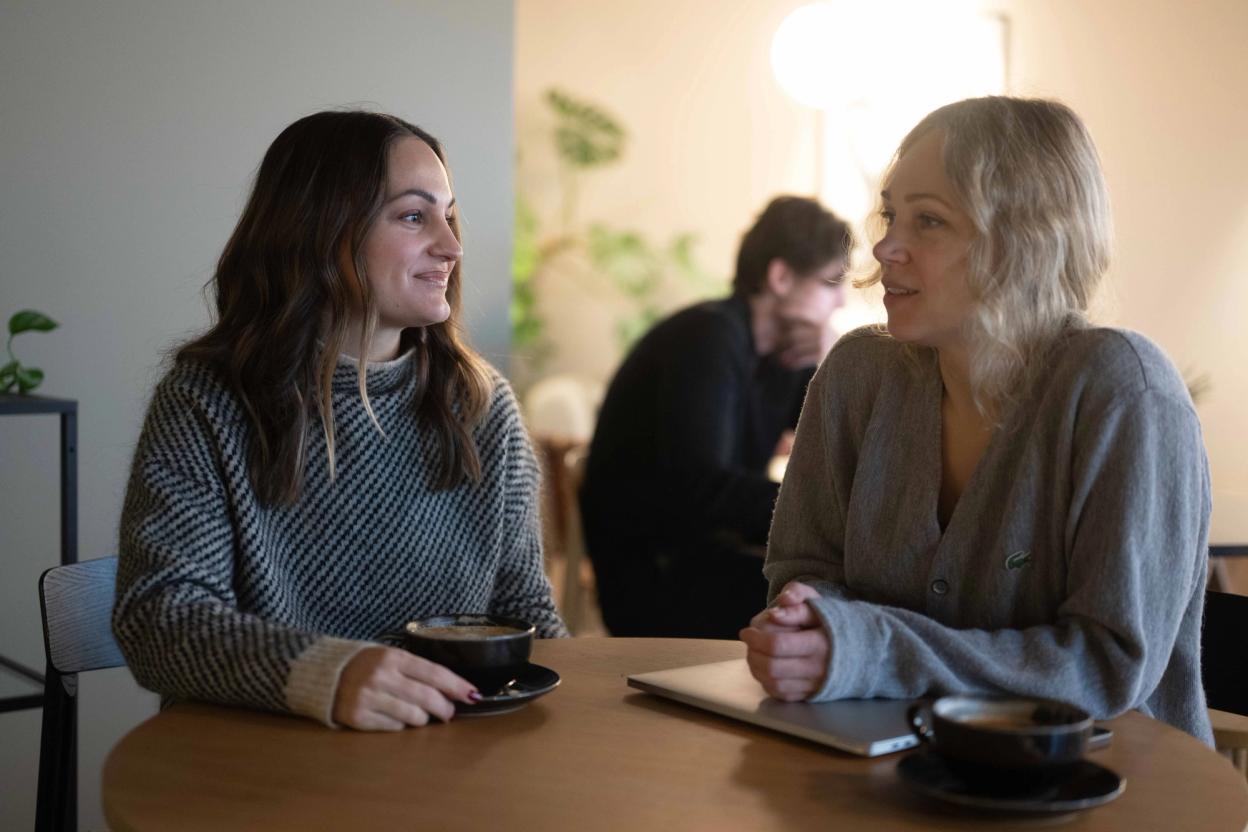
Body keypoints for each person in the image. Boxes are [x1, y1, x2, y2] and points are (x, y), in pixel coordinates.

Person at [740, 96, 1213, 742]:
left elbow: (1106, 670)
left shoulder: (1124, 391)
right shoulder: (855, 375)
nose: (886, 245)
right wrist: (808, 623)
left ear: (1026, 241)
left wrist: (869, 647)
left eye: (928, 221)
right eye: (891, 213)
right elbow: (803, 571)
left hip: (1108, 786)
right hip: (888, 770)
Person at [112, 110, 567, 733]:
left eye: (449, 215)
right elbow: (160, 617)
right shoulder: (207, 402)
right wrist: (327, 672)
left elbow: (529, 623)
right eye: (414, 216)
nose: (452, 246)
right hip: (256, 768)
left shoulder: (481, 406)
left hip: (447, 769)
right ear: (321, 231)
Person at [580, 196, 852, 638]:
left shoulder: (784, 355)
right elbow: (701, 487)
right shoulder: (707, 337)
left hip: (708, 555)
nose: (840, 301)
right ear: (781, 276)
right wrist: (817, 517)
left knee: (837, 594)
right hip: (655, 575)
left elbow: (840, 448)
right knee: (830, 612)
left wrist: (831, 362)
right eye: (831, 282)